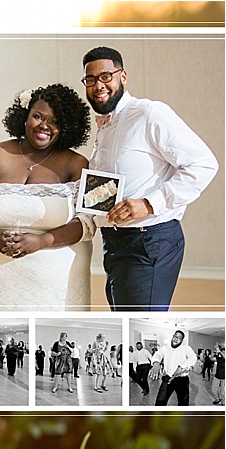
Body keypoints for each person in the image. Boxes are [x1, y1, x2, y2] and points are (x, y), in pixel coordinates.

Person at [82, 46, 219, 311]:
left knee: (138, 324)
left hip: (149, 240)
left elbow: (203, 164)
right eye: (90, 79)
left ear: (123, 76)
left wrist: (148, 203)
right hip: (114, 243)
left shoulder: (149, 114)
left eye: (106, 76)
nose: (98, 85)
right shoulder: (105, 126)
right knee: (124, 323)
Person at [0, 84, 94, 311]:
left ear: (66, 127)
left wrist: (41, 241)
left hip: (57, 283)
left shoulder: (77, 164)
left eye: (54, 121)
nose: (44, 126)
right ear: (24, 116)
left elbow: (88, 222)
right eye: (37, 116)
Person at [149, 330, 197, 406]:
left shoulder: (186, 348)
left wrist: (181, 367)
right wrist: (156, 363)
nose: (176, 338)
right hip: (167, 379)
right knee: (159, 403)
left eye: (179, 338)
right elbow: (158, 354)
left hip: (182, 380)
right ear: (172, 337)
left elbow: (193, 358)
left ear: (181, 341)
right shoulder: (165, 348)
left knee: (183, 404)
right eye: (175, 336)